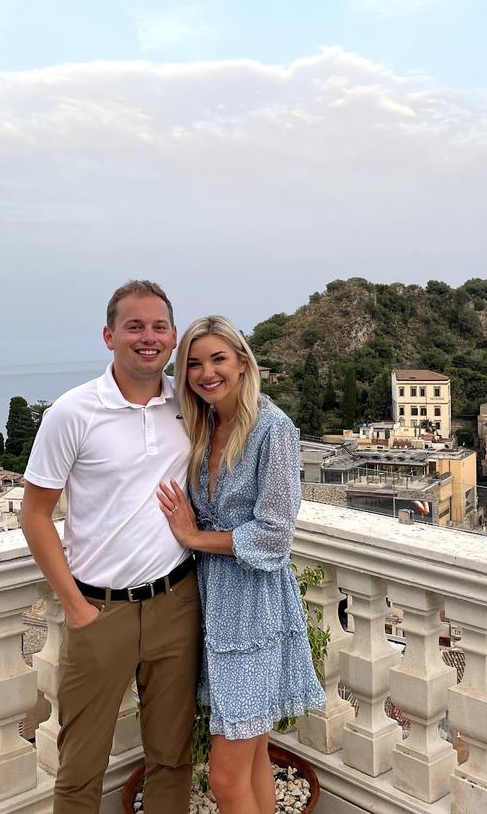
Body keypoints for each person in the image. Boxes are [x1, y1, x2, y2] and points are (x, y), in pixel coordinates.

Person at [21, 280, 201, 814]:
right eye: (135, 326)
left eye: (159, 326)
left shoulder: (189, 405)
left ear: (173, 339)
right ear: (109, 336)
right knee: (81, 765)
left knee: (171, 757)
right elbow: (34, 515)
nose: (148, 337)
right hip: (99, 609)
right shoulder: (73, 413)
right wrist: (75, 607)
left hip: (177, 602)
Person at [157, 315, 325, 814]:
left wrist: (193, 536)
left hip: (254, 612)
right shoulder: (204, 426)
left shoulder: (274, 430)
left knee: (226, 777)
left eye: (218, 359)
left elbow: (275, 535)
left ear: (243, 362)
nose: (206, 372)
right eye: (193, 363)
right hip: (214, 607)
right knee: (251, 760)